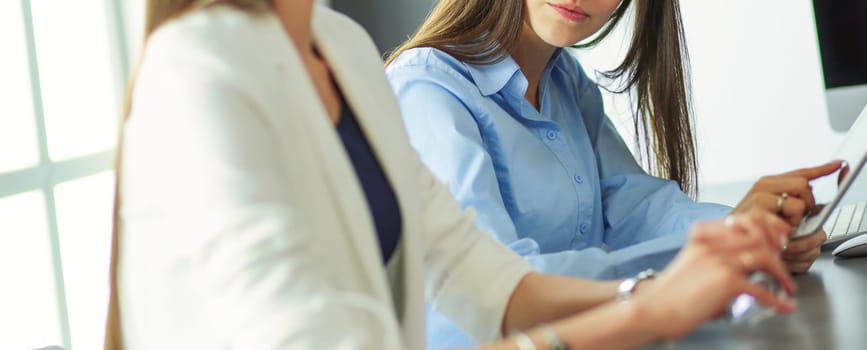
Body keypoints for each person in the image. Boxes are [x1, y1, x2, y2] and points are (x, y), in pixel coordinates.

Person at [105, 1, 797, 349]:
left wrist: (673, 278)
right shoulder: (198, 74)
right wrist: (646, 308)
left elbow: (479, 277)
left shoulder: (339, 46)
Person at [384, 1, 838, 347]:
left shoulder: (565, 80)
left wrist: (746, 230)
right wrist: (711, 256)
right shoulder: (426, 91)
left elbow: (638, 206)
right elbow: (510, 285)